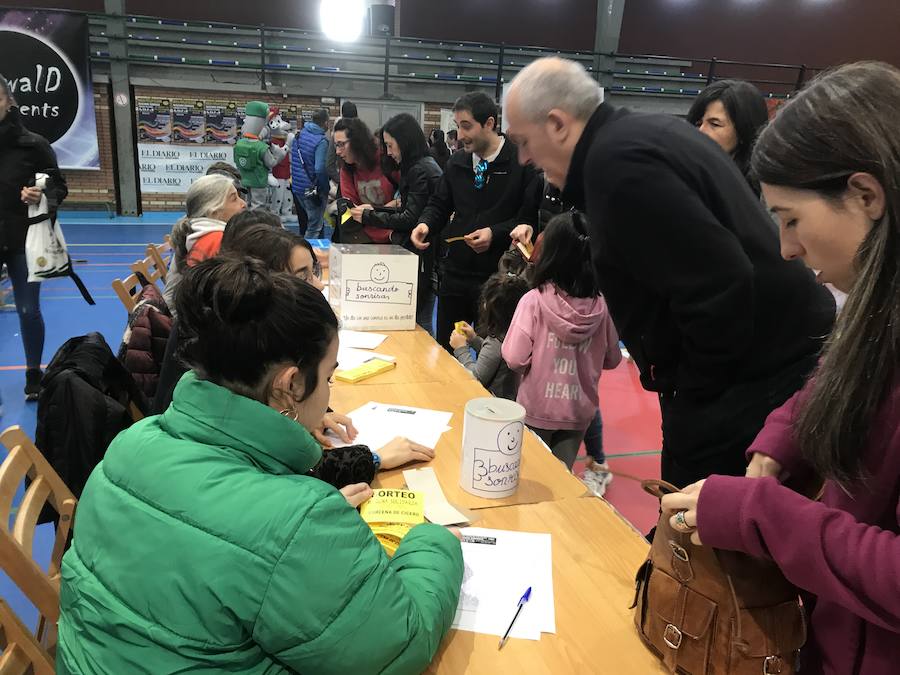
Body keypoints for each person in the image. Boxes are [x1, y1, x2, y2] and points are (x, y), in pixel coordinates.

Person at [57, 255, 463, 673]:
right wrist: (431, 540)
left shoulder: (132, 443)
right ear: (289, 385)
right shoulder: (294, 522)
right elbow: (398, 646)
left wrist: (311, 534)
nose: (327, 393)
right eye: (327, 378)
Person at [661, 62, 900, 675]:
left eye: (793, 219)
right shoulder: (879, 311)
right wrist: (780, 443)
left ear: (866, 196)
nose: (788, 248)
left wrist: (759, 515)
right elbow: (845, 373)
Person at [504, 57, 835, 488]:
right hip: (764, 363)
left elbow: (722, 283)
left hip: (748, 380)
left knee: (695, 529)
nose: (525, 157)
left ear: (557, 124)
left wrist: (692, 396)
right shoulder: (639, 135)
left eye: (524, 141)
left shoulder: (618, 166)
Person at [411, 92, 540, 352]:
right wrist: (425, 224)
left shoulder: (521, 163)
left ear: (489, 124)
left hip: (497, 282)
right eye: (458, 126)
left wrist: (495, 233)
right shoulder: (457, 162)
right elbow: (439, 204)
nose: (460, 135)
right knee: (447, 351)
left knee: (491, 360)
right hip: (456, 275)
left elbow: (527, 219)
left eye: (466, 126)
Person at [501, 212, 621, 469]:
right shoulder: (602, 306)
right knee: (560, 478)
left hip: (536, 409)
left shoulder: (533, 300)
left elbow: (514, 357)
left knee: (532, 476)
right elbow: (613, 359)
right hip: (578, 412)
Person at [0, 74, 68, 401]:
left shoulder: (35, 145)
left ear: (8, 101)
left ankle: (32, 372)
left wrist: (39, 195)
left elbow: (58, 187)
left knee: (28, 310)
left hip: (23, 241)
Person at [351, 113, 442, 333]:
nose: (389, 152)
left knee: (419, 320)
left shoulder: (419, 169)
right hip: (427, 254)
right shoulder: (423, 166)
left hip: (425, 255)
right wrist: (374, 210)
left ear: (405, 142)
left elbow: (410, 218)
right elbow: (408, 209)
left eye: (391, 146)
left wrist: (369, 216)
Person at [162, 173, 246, 312]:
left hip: (185, 317)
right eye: (234, 199)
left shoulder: (196, 231)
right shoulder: (215, 240)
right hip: (196, 326)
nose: (243, 204)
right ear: (213, 210)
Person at [450, 271, 529, 400]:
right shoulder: (513, 334)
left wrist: (461, 349)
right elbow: (495, 359)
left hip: (493, 406)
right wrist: (474, 340)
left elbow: (475, 378)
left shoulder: (495, 341)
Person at [687, 79, 769, 195]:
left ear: (743, 131)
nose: (701, 131)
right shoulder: (682, 173)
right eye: (698, 123)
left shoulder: (763, 192)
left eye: (714, 124)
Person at [333, 117, 399, 242]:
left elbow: (407, 199)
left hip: (394, 236)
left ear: (357, 141)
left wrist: (381, 209)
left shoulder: (386, 159)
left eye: (341, 144)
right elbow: (353, 210)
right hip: (365, 239)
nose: (337, 151)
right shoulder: (347, 170)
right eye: (336, 145)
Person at [290, 108, 330, 239]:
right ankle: (307, 257)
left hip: (297, 188)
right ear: (325, 123)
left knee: (306, 224)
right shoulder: (321, 141)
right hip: (312, 190)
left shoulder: (299, 135)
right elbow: (319, 168)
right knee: (314, 228)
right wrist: (325, 188)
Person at [326, 100, 357, 186]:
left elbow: (329, 165)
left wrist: (342, 181)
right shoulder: (361, 134)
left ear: (342, 115)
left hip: (345, 182)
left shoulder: (336, 136)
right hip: (362, 185)